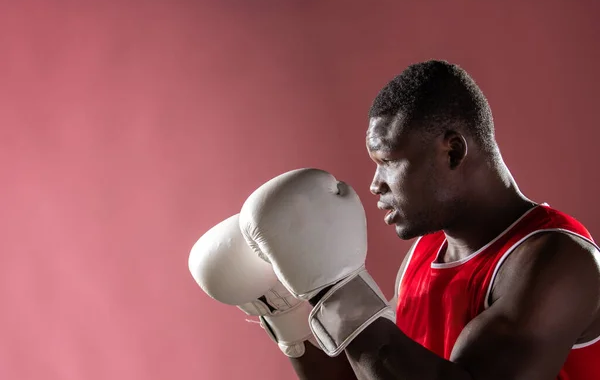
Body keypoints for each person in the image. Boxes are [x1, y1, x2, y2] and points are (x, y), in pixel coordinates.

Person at [191, 60, 600, 380]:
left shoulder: (559, 261)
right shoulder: (425, 255)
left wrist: (341, 292)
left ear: (453, 151)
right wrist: (287, 315)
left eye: (387, 161)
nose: (374, 185)